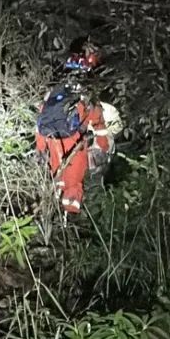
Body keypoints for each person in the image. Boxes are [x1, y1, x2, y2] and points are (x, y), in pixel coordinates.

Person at [34, 44, 118, 213]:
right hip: (74, 149)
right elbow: (99, 125)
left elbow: (41, 122)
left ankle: (57, 214)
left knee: (61, 182)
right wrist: (103, 148)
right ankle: (71, 216)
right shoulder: (85, 98)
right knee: (73, 183)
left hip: (53, 144)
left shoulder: (55, 93)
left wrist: (40, 149)